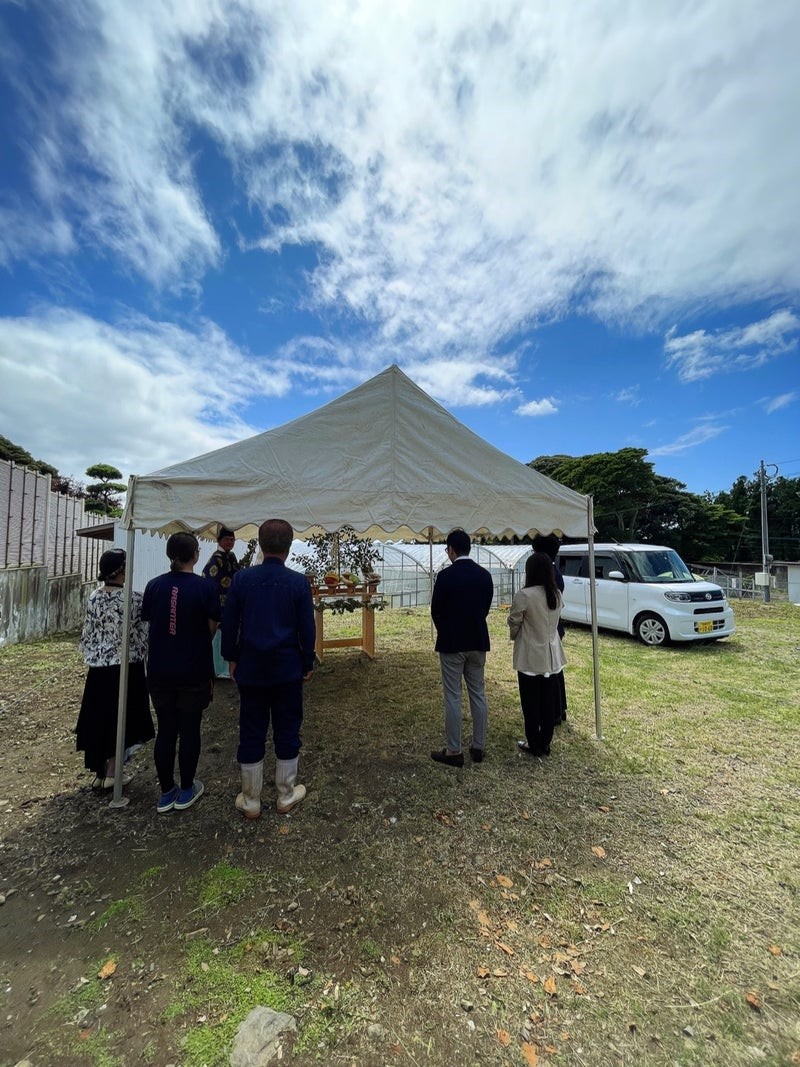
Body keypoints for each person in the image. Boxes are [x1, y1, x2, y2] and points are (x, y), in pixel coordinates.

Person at [222, 518, 316, 819]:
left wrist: (231, 657)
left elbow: (230, 623)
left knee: (251, 729)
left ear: (260, 545)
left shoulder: (242, 580)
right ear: (289, 547)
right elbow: (307, 629)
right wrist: (306, 662)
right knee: (288, 729)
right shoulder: (298, 582)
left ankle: (251, 800)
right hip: (287, 669)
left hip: (251, 668)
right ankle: (286, 795)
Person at [141, 533, 220, 813]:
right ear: (196, 555)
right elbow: (213, 624)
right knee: (189, 729)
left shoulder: (154, 586)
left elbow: (149, 620)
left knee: (166, 729)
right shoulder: (204, 588)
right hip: (194, 668)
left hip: (160, 670)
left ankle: (166, 792)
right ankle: (187, 789)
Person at [75, 548, 154, 791]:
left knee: (99, 717)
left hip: (98, 667)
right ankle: (112, 773)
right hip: (126, 667)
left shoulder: (93, 597)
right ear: (121, 570)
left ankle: (100, 771)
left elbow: (88, 632)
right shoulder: (133, 599)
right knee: (121, 718)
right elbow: (143, 634)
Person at [429, 528, 494, 767]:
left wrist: (446, 630)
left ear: (452, 550)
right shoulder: (485, 576)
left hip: (452, 643)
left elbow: (436, 610)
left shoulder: (445, 577)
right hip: (478, 641)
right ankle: (479, 746)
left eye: (447, 550)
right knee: (478, 694)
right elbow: (485, 609)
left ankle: (454, 751)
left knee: (453, 696)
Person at [508, 551, 566, 757]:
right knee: (547, 701)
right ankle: (545, 742)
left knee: (530, 702)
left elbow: (514, 621)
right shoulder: (556, 594)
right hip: (552, 655)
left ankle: (534, 743)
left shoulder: (525, 595)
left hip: (530, 656)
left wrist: (514, 635)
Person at [532, 533, 568, 723]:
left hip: (548, 630)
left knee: (550, 674)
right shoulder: (555, 572)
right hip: (553, 628)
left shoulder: (549, 575)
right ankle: (559, 709)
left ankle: (554, 711)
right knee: (555, 671)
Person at [202, 525, 239, 678]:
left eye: (232, 540)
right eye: (227, 539)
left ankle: (227, 666)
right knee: (217, 635)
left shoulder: (232, 557)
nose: (230, 542)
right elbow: (209, 580)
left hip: (231, 602)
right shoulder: (216, 559)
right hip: (219, 604)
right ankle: (217, 668)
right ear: (219, 540)